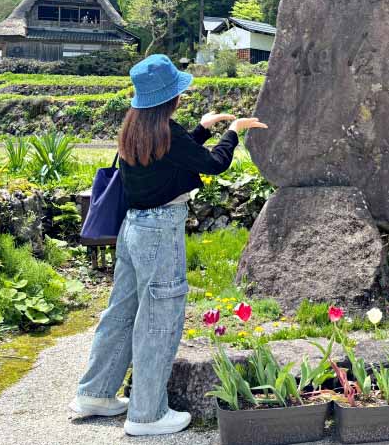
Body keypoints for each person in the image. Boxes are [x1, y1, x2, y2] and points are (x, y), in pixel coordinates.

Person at [69, 54, 266, 436]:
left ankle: (95, 393)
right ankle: (147, 415)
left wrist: (202, 128)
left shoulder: (135, 130)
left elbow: (173, 157)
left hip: (132, 230)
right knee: (159, 319)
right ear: (169, 99)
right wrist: (233, 132)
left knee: (121, 313)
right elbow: (213, 164)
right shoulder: (165, 133)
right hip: (159, 232)